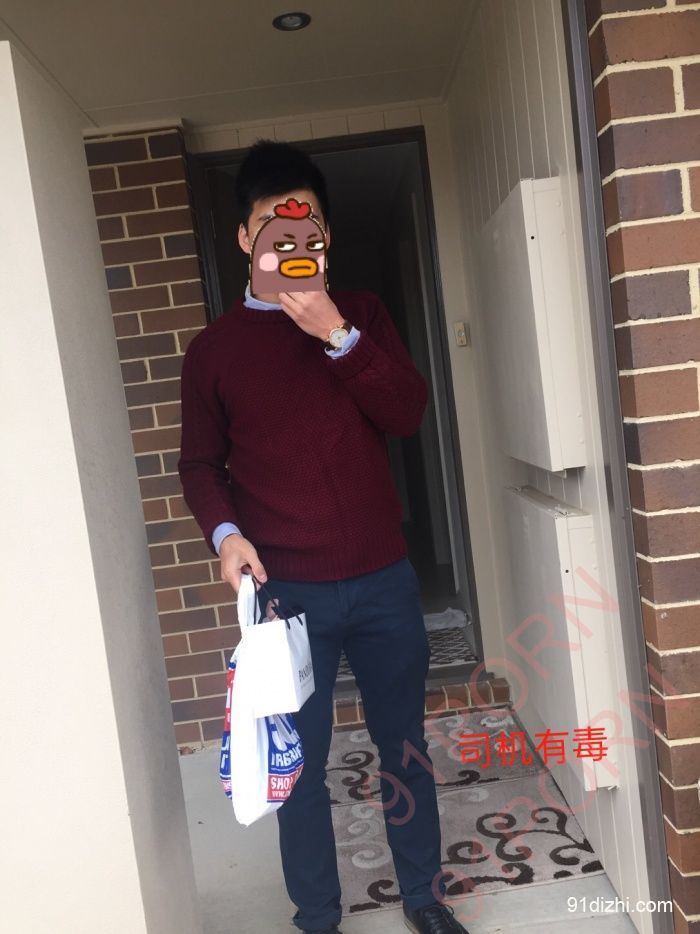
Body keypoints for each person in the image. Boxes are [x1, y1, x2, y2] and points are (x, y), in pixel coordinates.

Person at [177, 140, 469, 934]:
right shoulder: (213, 352)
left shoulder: (362, 315)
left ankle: (424, 899)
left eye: (306, 227)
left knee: (402, 746)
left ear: (326, 236)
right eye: (273, 227)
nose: (290, 242)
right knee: (299, 766)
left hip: (383, 579)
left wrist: (338, 335)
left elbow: (407, 413)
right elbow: (199, 464)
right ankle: (316, 916)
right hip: (286, 594)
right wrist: (225, 535)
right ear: (246, 237)